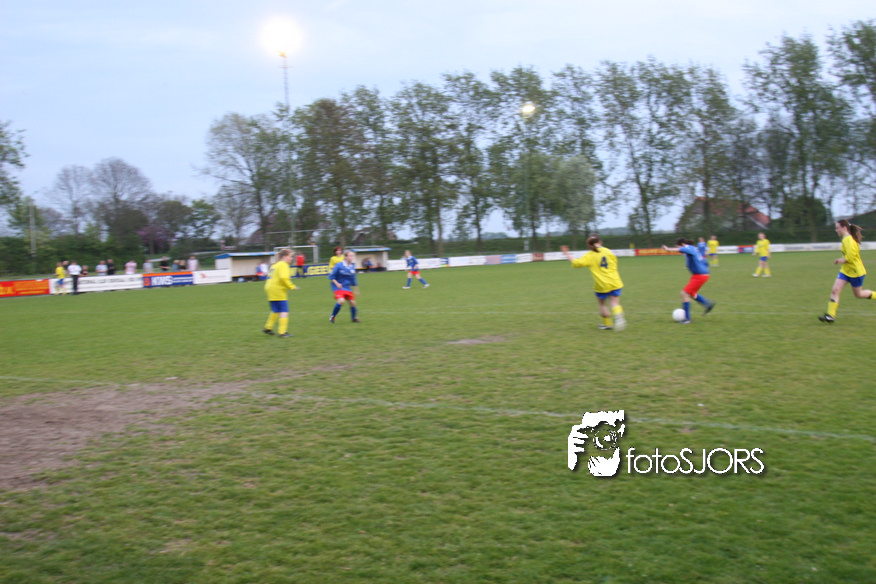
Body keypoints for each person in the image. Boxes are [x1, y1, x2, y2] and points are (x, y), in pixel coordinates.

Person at [561, 236, 626, 331]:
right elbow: (615, 262)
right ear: (600, 241)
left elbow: (576, 263)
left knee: (602, 304)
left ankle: (607, 324)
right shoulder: (608, 251)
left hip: (601, 284)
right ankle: (619, 315)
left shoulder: (590, 255)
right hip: (614, 281)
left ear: (589, 245)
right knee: (614, 303)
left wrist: (566, 253)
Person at [819, 220, 874, 323]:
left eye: (837, 228)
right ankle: (830, 316)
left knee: (859, 294)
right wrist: (841, 260)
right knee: (835, 290)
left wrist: (840, 260)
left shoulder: (849, 240)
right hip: (845, 270)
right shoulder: (845, 239)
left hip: (856, 272)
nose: (836, 230)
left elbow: (850, 257)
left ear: (844, 228)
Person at [661, 238, 716, 324]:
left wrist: (668, 249)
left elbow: (683, 250)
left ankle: (687, 319)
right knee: (691, 294)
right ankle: (707, 304)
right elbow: (704, 260)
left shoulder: (689, 248)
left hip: (700, 275)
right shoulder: (693, 248)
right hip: (699, 275)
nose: (679, 250)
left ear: (682, 244)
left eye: (678, 247)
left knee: (684, 293)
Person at [263, 248, 298, 337]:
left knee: (275, 310)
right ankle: (282, 332)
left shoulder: (275, 265)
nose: (292, 258)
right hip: (277, 289)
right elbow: (283, 278)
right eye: (290, 256)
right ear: (284, 257)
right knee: (284, 310)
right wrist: (292, 286)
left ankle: (268, 328)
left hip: (269, 288)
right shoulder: (283, 264)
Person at [329, 250, 359, 323]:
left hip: (347, 287)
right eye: (350, 256)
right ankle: (332, 316)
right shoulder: (339, 265)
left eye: (352, 256)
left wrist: (356, 290)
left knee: (353, 303)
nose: (352, 257)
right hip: (338, 287)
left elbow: (353, 280)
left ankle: (354, 318)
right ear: (345, 257)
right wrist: (337, 284)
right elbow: (331, 277)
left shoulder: (352, 266)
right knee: (341, 301)